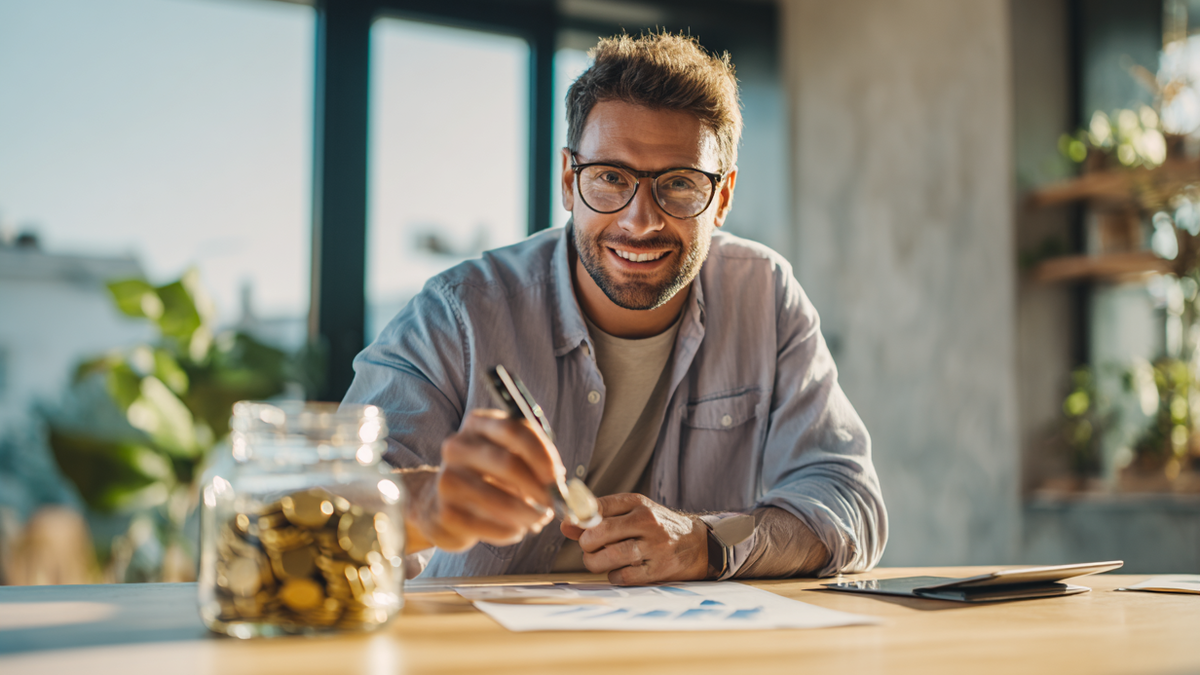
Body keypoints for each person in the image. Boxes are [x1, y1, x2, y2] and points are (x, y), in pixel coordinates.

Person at [344, 32, 886, 583]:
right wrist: (423, 505)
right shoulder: (460, 312)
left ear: (722, 198)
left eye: (679, 184)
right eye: (609, 178)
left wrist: (708, 545)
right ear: (567, 180)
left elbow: (850, 504)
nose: (640, 220)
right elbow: (323, 499)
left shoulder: (765, 296)